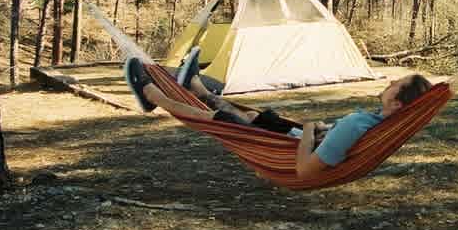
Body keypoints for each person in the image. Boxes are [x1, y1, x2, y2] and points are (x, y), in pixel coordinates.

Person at [124, 54, 432, 181]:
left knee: (213, 119)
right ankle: (195, 86)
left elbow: (305, 170)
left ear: (398, 106)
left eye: (397, 86)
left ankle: (152, 96)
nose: (390, 83)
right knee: (255, 115)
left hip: (288, 148)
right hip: (293, 138)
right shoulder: (376, 123)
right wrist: (318, 131)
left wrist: (311, 128)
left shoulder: (358, 125)